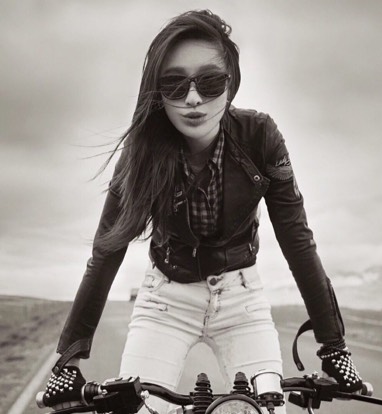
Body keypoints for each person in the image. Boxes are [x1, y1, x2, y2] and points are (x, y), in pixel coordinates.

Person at [41, 9, 363, 414]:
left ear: (231, 83)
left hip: (242, 299)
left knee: (268, 409)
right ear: (158, 92)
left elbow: (297, 239)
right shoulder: (140, 153)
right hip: (165, 300)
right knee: (140, 409)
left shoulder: (261, 138)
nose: (193, 99)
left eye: (210, 82)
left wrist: (334, 348)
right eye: (175, 84)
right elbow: (107, 250)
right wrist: (67, 362)